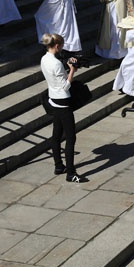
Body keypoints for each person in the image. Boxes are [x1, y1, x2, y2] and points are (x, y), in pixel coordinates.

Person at [40, 33, 87, 183]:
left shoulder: (44, 59)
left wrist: (67, 70)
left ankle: (59, 165)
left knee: (56, 134)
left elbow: (56, 79)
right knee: (71, 137)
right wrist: (72, 70)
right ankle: (71, 173)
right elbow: (66, 86)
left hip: (53, 99)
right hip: (63, 102)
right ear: (57, 46)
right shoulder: (56, 64)